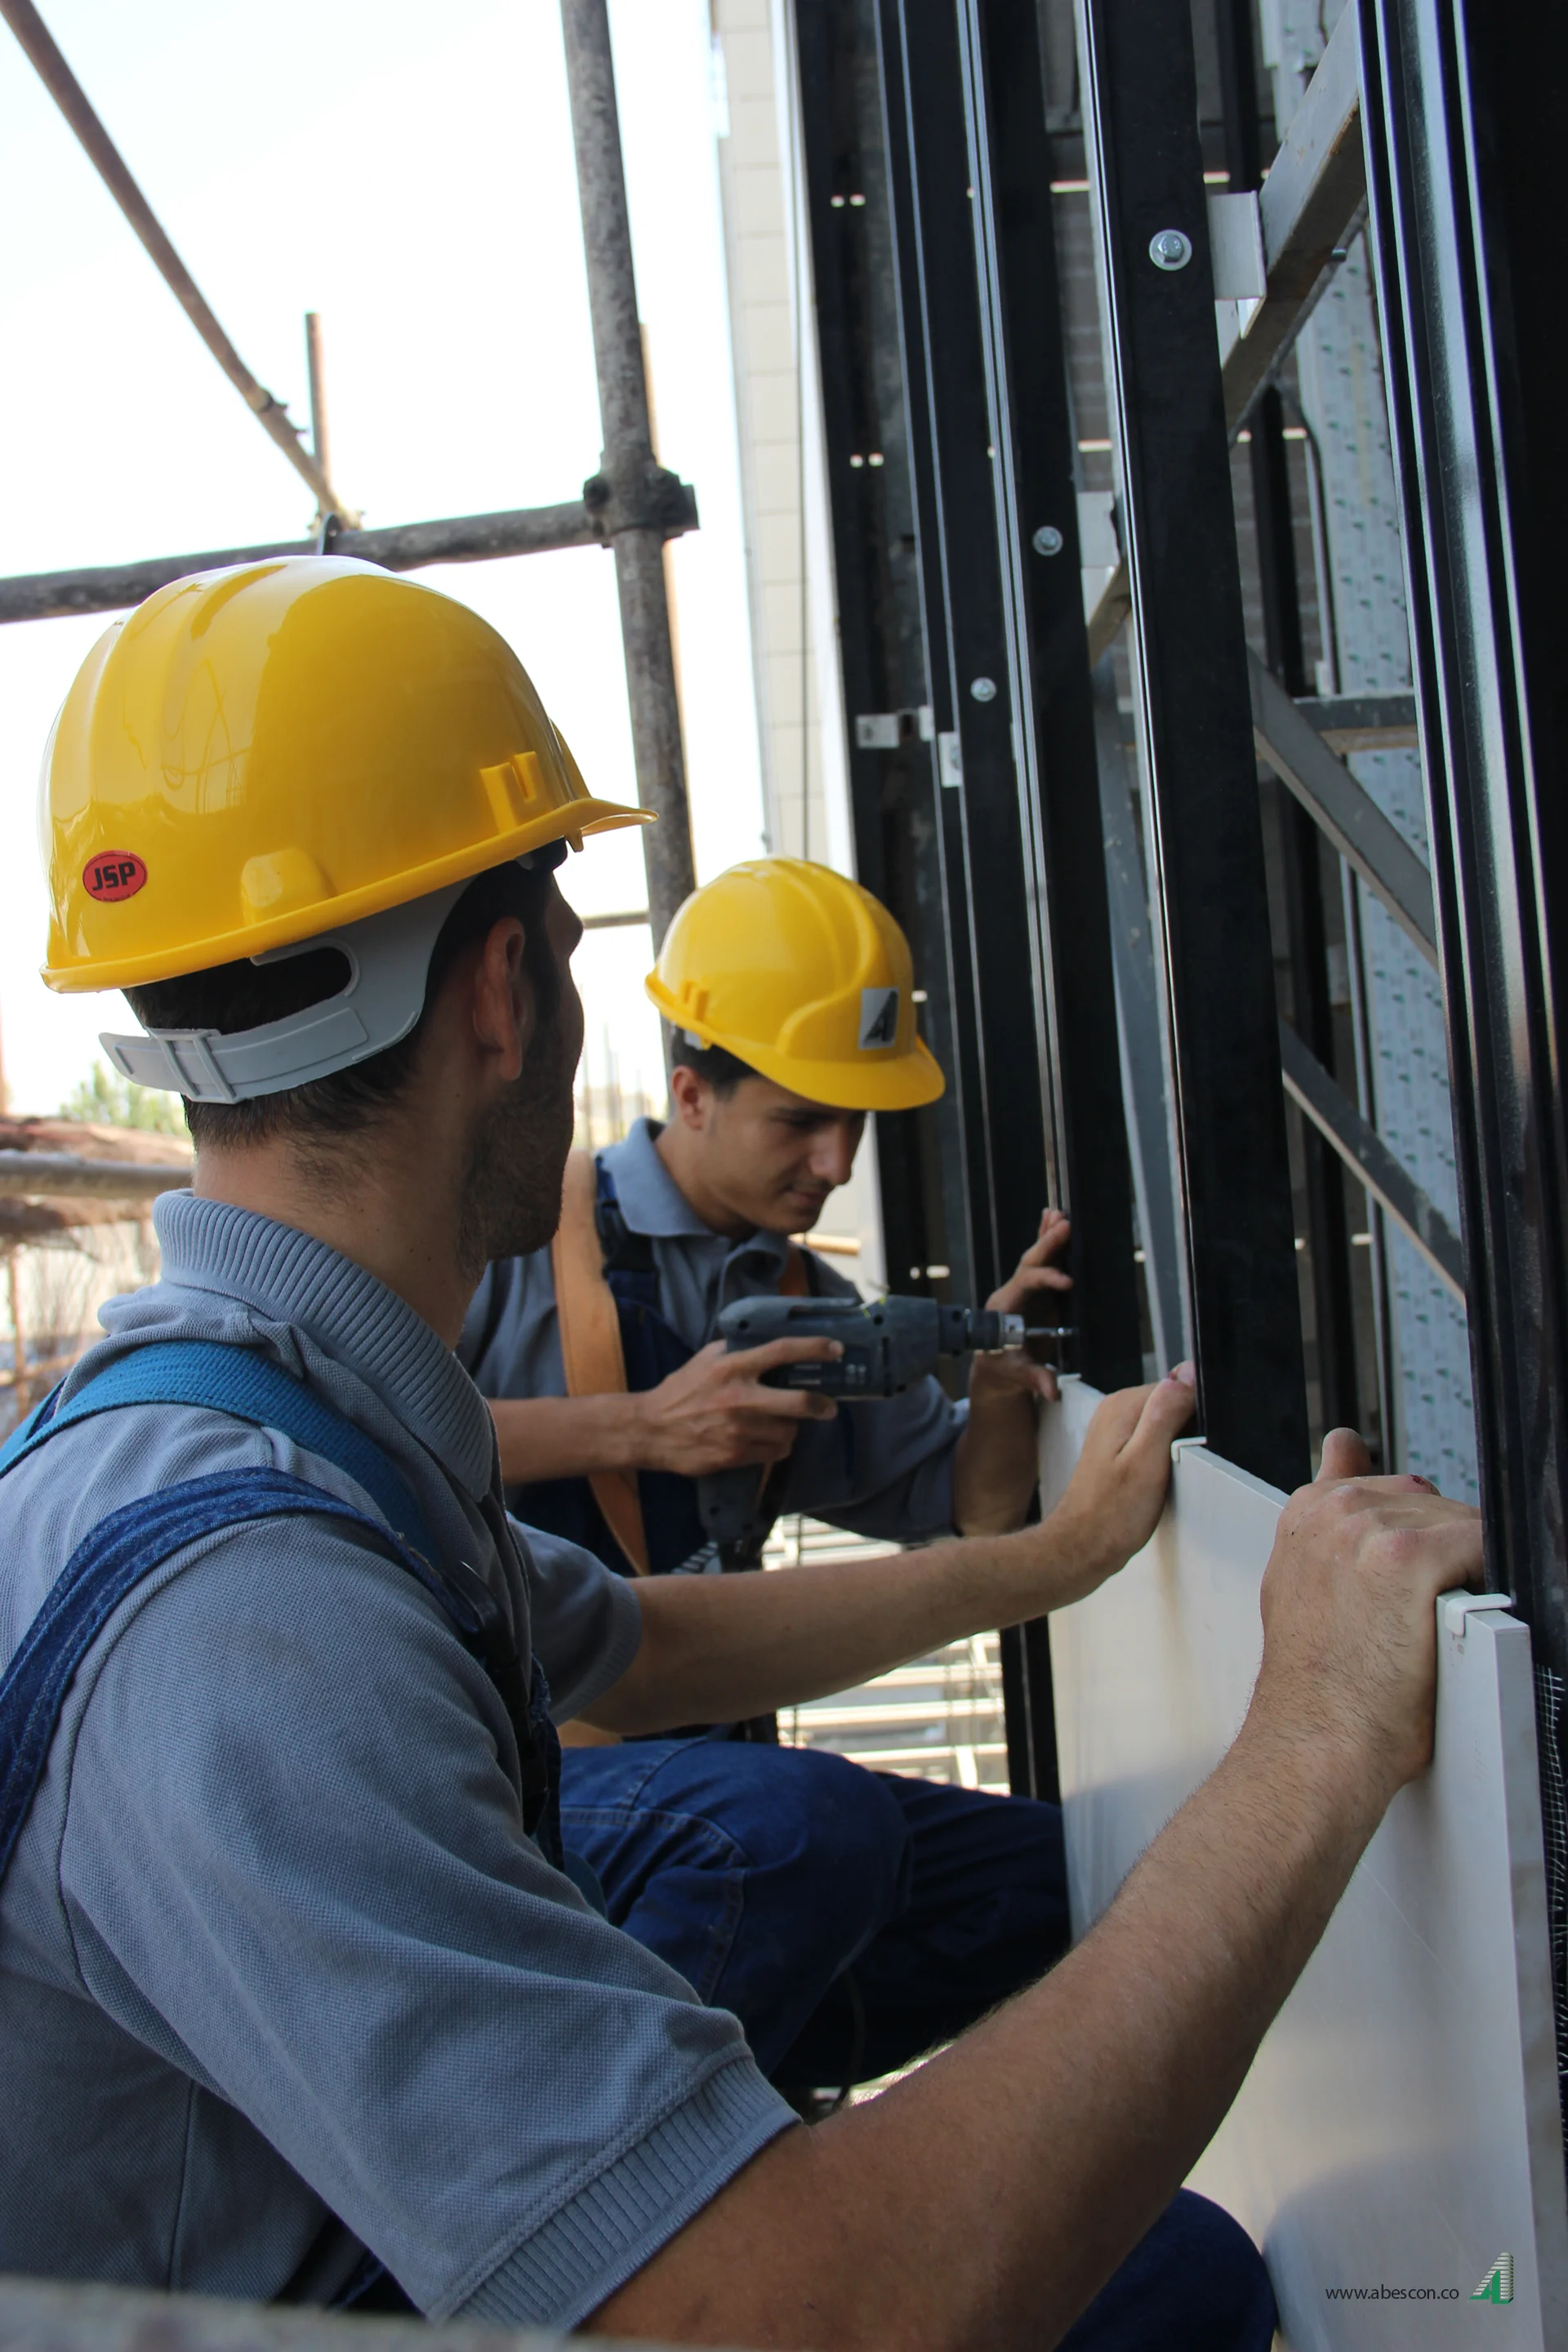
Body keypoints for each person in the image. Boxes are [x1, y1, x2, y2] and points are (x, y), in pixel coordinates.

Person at [0, 557, 1482, 2352]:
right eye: (563, 936)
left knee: (1145, 2218)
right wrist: (1318, 1733)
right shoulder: (245, 1616)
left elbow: (640, 1638)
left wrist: (1047, 1557)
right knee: (812, 1882)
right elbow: (770, 2325)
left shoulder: (262, 1427)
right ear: (503, 992)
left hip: (340, 2229)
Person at [461, 857, 1078, 2091]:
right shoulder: (518, 1239)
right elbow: (366, 1447)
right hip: (528, 1790)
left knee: (1064, 1879)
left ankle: (761, 2111)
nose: (837, 1165)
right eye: (799, 1121)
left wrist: (1004, 1392)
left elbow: (973, 1513)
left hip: (707, 1780)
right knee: (801, 1829)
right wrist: (638, 1430)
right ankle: (648, 2162)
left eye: (854, 1125)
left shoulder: (806, 1304)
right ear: (690, 1094)